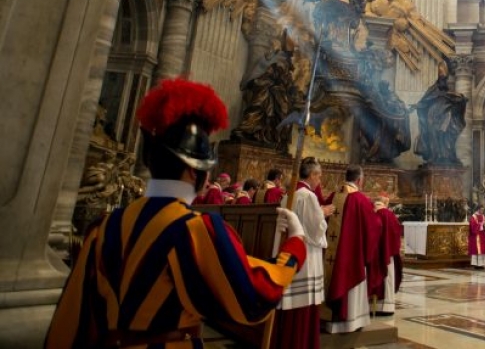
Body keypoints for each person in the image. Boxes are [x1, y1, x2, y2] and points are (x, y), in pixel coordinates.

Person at [45, 78, 308, 349]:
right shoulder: (194, 229)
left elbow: (70, 323)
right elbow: (252, 299)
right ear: (194, 171)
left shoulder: (103, 227)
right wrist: (294, 247)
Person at [272, 157, 334, 349]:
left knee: (291, 300)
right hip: (306, 256)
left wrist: (318, 212)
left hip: (291, 253)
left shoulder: (289, 195)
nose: (320, 180)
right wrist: (323, 214)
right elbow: (315, 230)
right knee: (303, 305)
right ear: (312, 174)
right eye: (319, 176)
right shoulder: (308, 196)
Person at [322, 164, 382, 333]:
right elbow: (374, 227)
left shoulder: (333, 196)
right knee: (350, 283)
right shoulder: (360, 200)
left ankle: (330, 320)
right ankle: (350, 322)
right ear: (359, 180)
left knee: (331, 279)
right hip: (352, 257)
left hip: (331, 256)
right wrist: (378, 217)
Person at [413, 61, 467, 165]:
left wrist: (461, 100)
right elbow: (424, 101)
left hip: (445, 116)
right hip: (433, 116)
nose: (444, 81)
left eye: (445, 79)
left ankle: (447, 156)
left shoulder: (450, 94)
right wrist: (418, 106)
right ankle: (435, 156)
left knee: (447, 135)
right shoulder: (432, 90)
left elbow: (458, 103)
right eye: (442, 79)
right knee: (433, 135)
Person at [371, 194, 403, 315]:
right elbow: (396, 233)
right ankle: (386, 307)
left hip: (373, 253)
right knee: (388, 277)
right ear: (386, 203)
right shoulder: (389, 214)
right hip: (388, 253)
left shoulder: (371, 212)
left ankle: (370, 307)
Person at [469, 204, 485, 269]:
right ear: (478, 209)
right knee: (477, 250)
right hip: (476, 236)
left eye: (483, 210)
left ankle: (481, 264)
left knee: (482, 250)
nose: (482, 211)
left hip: (482, 235)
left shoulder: (483, 216)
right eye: (481, 210)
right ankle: (476, 265)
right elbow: (473, 227)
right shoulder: (473, 217)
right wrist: (481, 224)